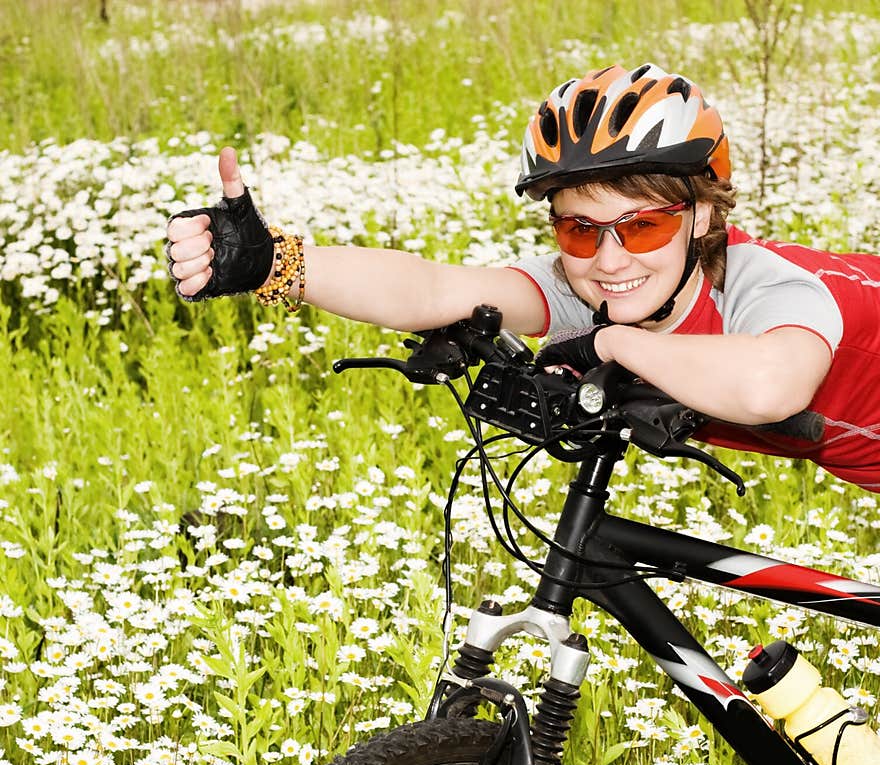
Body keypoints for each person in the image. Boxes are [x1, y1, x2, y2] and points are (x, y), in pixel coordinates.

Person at [165, 62, 880, 493]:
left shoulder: (769, 284)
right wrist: (274, 261)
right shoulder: (596, 286)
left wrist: (612, 347)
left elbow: (769, 386)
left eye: (643, 225)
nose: (609, 261)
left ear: (700, 218)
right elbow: (432, 290)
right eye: (578, 229)